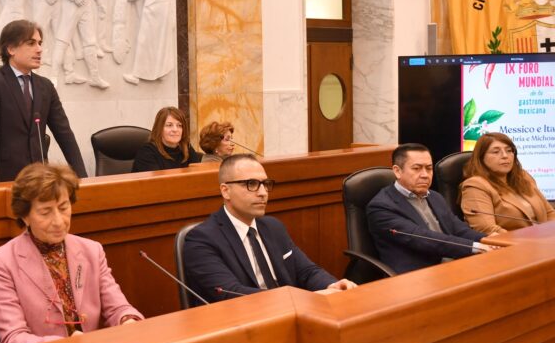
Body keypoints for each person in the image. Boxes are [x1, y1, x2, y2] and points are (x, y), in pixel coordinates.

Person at [0, 163, 143, 343]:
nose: (59, 221)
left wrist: (129, 321)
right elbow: (13, 339)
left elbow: (118, 308)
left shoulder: (92, 250)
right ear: (25, 216)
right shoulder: (1, 262)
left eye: (63, 207)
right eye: (45, 212)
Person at [183, 154, 356, 304]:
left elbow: (306, 271)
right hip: (243, 326)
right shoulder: (201, 239)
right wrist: (300, 298)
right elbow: (230, 294)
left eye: (265, 184)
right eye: (251, 184)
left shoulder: (273, 227)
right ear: (225, 191)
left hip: (290, 313)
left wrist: (331, 285)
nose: (263, 192)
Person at [0, 20, 88, 183]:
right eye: (31, 43)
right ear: (11, 49)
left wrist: (82, 178)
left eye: (40, 43)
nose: (39, 49)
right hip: (4, 181)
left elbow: (65, 134)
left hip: (39, 182)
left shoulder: (45, 86)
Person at [367, 143, 494, 274]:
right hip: (417, 275)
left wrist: (489, 240)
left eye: (429, 168)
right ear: (397, 171)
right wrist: (476, 247)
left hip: (451, 265)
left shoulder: (434, 196)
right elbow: (424, 239)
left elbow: (458, 229)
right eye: (417, 168)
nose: (425, 175)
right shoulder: (381, 207)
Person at [460, 133, 555, 234]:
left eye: (509, 151)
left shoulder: (522, 176)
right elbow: (487, 229)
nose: (505, 156)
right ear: (481, 158)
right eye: (496, 152)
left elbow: (549, 213)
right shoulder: (476, 186)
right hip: (511, 245)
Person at [131, 107, 202, 172]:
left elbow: (199, 175)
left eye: (179, 125)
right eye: (169, 125)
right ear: (159, 128)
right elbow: (156, 183)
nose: (175, 129)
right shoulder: (147, 152)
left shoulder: (186, 147)